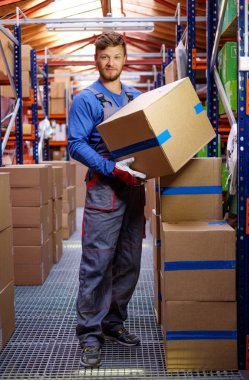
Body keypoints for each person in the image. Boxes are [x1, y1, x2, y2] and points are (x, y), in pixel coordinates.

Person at [68, 32, 146, 368]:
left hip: (134, 191)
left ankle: (113, 322)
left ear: (124, 58)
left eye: (116, 56)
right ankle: (89, 333)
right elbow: (75, 143)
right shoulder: (86, 100)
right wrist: (111, 167)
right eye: (104, 57)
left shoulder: (136, 97)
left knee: (129, 262)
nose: (110, 62)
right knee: (97, 264)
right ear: (96, 60)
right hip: (105, 189)